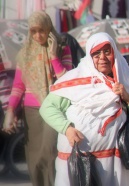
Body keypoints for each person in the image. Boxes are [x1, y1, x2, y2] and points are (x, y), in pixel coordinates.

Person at [39, 32, 129, 186]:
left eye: (107, 52)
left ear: (114, 53)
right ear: (89, 56)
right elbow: (47, 108)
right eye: (96, 53)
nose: (102, 58)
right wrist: (67, 129)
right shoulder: (74, 80)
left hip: (118, 163)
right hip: (79, 162)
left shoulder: (127, 80)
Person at [2, 11, 72, 186]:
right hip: (31, 111)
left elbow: (66, 80)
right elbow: (19, 85)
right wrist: (10, 110)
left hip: (54, 108)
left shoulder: (62, 47)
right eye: (33, 31)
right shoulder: (25, 54)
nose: (38, 35)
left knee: (49, 152)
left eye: (41, 30)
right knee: (33, 157)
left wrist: (54, 56)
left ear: (48, 28)